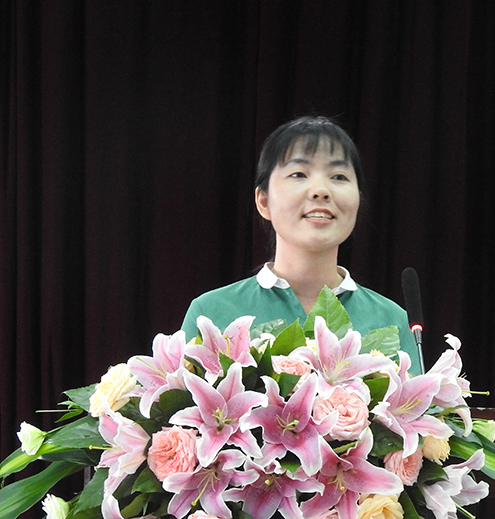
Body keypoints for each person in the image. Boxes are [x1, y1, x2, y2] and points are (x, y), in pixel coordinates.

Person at [181, 116, 422, 374]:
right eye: (298, 174)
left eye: (339, 176)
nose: (321, 190)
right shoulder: (210, 313)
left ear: (358, 202)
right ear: (263, 201)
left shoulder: (393, 320)